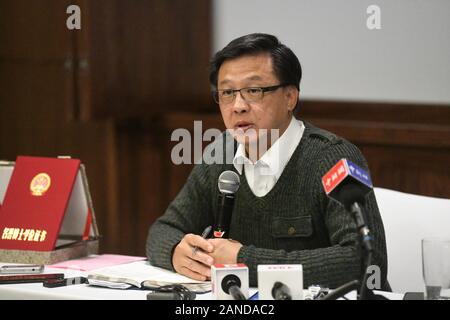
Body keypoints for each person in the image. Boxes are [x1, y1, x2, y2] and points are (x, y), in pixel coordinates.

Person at [147, 33, 389, 291]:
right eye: (227, 92)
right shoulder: (221, 154)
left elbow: (367, 261)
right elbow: (163, 230)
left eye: (254, 91)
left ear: (290, 98)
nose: (238, 106)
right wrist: (177, 252)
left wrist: (244, 261)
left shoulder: (333, 157)